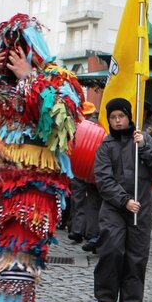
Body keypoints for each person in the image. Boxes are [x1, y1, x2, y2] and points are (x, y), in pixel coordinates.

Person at [0, 14, 83, 302]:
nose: (11, 56)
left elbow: (59, 122)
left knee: (19, 259)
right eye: (5, 49)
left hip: (33, 190)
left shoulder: (57, 80)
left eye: (18, 48)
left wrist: (27, 78)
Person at [93, 98, 152, 302]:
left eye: (121, 116)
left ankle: (132, 300)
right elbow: (103, 179)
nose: (117, 121)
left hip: (141, 207)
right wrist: (124, 200)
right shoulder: (106, 146)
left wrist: (144, 148)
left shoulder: (143, 140)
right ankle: (105, 296)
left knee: (137, 254)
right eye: (113, 118)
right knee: (111, 249)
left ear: (128, 117)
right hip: (115, 207)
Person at [68, 102, 102, 251]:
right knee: (94, 202)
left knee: (80, 200)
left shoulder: (82, 125)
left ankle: (78, 230)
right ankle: (91, 234)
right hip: (94, 171)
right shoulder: (102, 127)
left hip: (80, 168)